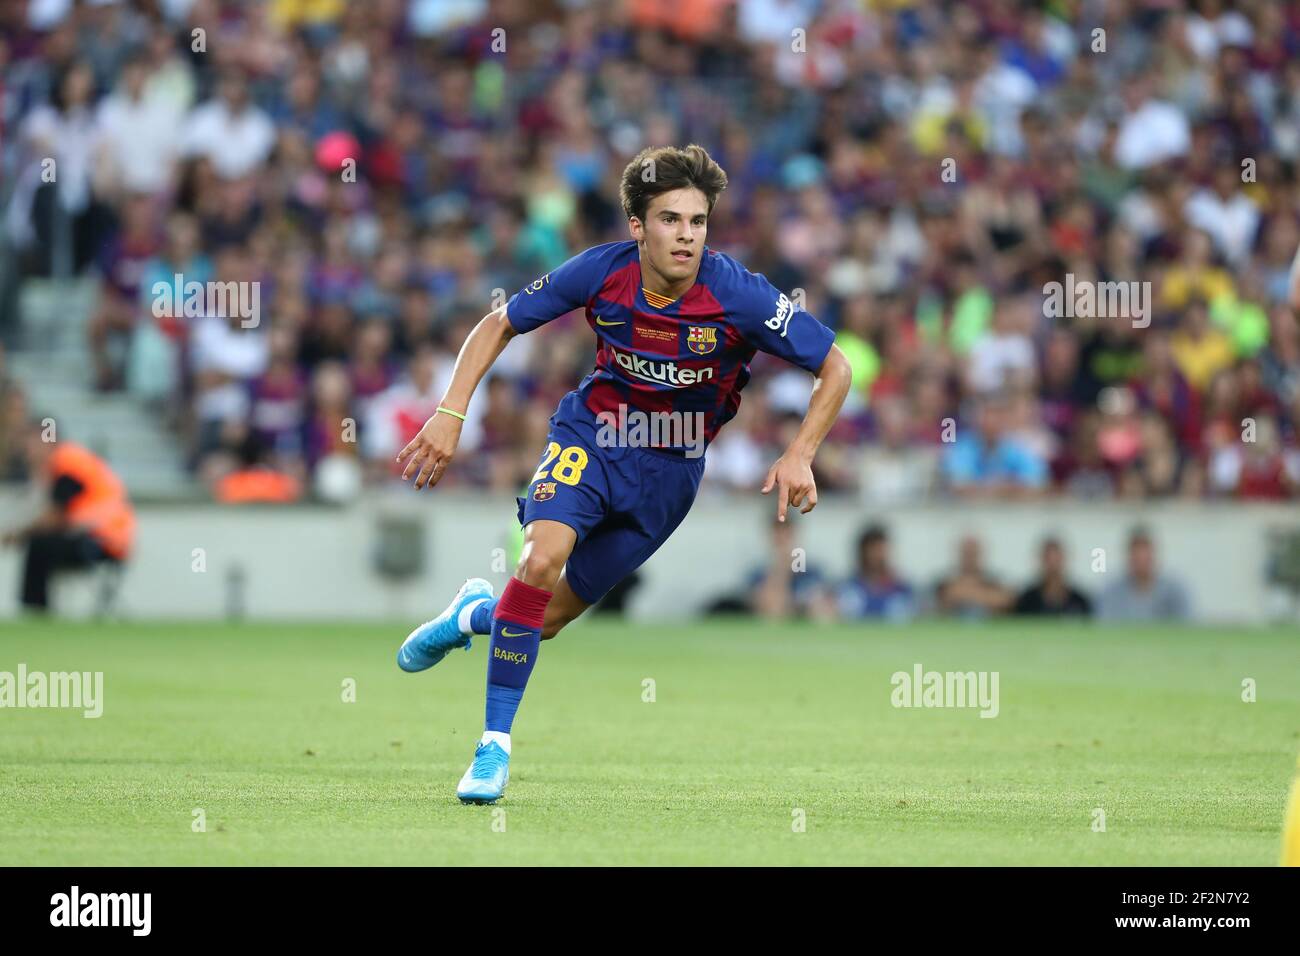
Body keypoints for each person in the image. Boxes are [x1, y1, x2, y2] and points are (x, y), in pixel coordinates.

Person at [392, 144, 852, 803]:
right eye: (670, 220)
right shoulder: (602, 272)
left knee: (540, 619)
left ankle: (472, 616)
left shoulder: (740, 295)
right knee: (540, 561)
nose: (686, 235)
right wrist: (450, 409)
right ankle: (492, 748)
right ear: (638, 227)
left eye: (697, 222)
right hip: (593, 437)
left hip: (670, 476)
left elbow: (835, 365)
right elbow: (501, 323)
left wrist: (801, 451)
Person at [1, 424, 135, 612]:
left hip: (102, 540)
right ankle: (36, 608)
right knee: (42, 544)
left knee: (39, 545)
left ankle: (36, 610)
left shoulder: (66, 462)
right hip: (108, 538)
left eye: (31, 444)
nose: (27, 452)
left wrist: (19, 533)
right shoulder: (65, 461)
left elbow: (56, 517)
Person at [1097, 527, 1190, 621]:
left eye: (1145, 552)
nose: (1141, 558)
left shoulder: (1175, 590)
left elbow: (1188, 624)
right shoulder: (1111, 591)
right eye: (1136, 553)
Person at [835, 523, 915, 621]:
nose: (878, 556)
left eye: (881, 550)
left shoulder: (902, 589)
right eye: (873, 550)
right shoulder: (848, 588)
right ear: (862, 552)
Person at [934, 535, 1014, 618]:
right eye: (966, 553)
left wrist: (966, 593)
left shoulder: (994, 579)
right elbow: (942, 601)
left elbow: (1006, 601)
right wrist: (986, 596)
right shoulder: (945, 580)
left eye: (973, 553)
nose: (970, 557)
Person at [1012, 537, 1093, 617]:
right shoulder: (1027, 601)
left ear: (1064, 560)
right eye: (1048, 559)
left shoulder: (1079, 602)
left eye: (1057, 560)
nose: (1053, 565)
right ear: (1041, 561)